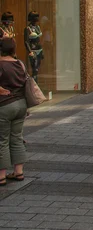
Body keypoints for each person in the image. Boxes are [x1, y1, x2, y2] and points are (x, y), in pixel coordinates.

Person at [0, 37, 28, 185]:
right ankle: (19, 172)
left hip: (4, 106)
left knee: (2, 140)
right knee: (16, 137)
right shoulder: (20, 64)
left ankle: (1, 175)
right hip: (21, 105)